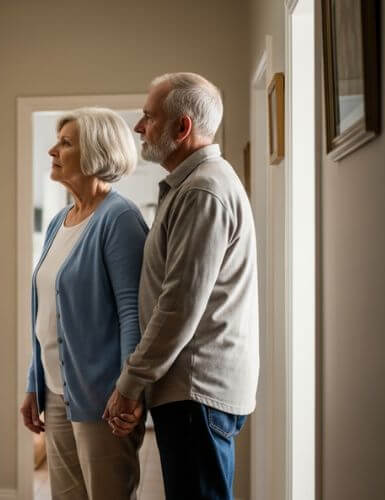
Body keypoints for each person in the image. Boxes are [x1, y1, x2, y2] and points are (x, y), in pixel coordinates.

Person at [103, 73, 259, 500]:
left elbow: (178, 306)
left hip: (195, 391)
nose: (139, 127)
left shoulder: (202, 190)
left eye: (149, 117)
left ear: (182, 127)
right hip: (193, 390)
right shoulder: (194, 185)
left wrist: (130, 382)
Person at [18, 107, 147, 500]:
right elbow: (46, 313)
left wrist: (128, 389)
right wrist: (34, 383)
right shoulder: (59, 221)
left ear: (96, 152)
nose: (52, 151)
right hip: (56, 393)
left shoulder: (119, 219)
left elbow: (132, 314)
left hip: (103, 397)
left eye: (65, 143)